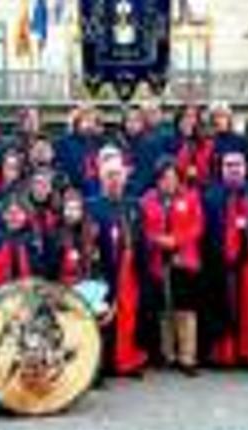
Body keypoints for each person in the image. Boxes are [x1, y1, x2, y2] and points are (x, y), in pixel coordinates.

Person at [86, 146, 148, 377]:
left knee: (129, 316)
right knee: (104, 316)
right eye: (109, 175)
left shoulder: (134, 205)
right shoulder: (92, 205)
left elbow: (141, 238)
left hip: (129, 270)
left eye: (118, 175)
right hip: (104, 270)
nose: (114, 180)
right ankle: (104, 363)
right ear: (102, 178)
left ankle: (126, 359)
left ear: (124, 177)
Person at [140, 161, 205, 375]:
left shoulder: (190, 197)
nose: (169, 182)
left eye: (173, 177)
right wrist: (159, 240)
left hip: (184, 259)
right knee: (164, 309)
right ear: (157, 179)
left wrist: (176, 240)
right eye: (164, 178)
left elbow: (197, 226)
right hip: (157, 260)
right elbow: (142, 228)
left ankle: (187, 357)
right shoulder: (147, 200)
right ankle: (168, 354)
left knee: (185, 308)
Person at [201, 152, 248, 368]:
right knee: (222, 307)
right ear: (222, 169)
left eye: (237, 165)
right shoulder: (210, 195)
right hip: (220, 263)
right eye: (228, 165)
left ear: (245, 167)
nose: (233, 169)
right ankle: (223, 356)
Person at [0, 194, 49, 291]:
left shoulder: (34, 240)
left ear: (25, 215)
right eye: (10, 213)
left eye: (18, 213)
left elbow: (41, 271)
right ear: (3, 215)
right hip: (0, 293)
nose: (14, 217)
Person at [52, 188, 100, 286]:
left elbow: (97, 263)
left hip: (87, 286)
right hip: (64, 287)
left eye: (75, 209)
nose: (71, 213)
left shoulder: (92, 232)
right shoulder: (56, 234)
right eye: (68, 208)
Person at [55, 104, 106, 197]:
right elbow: (60, 167)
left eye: (91, 120)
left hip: (96, 189)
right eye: (86, 120)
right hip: (73, 189)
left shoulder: (101, 142)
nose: (89, 124)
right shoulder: (64, 142)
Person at [168, 104, 216, 186]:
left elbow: (212, 171)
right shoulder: (170, 143)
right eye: (185, 117)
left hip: (202, 187)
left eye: (192, 117)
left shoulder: (207, 144)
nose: (188, 121)